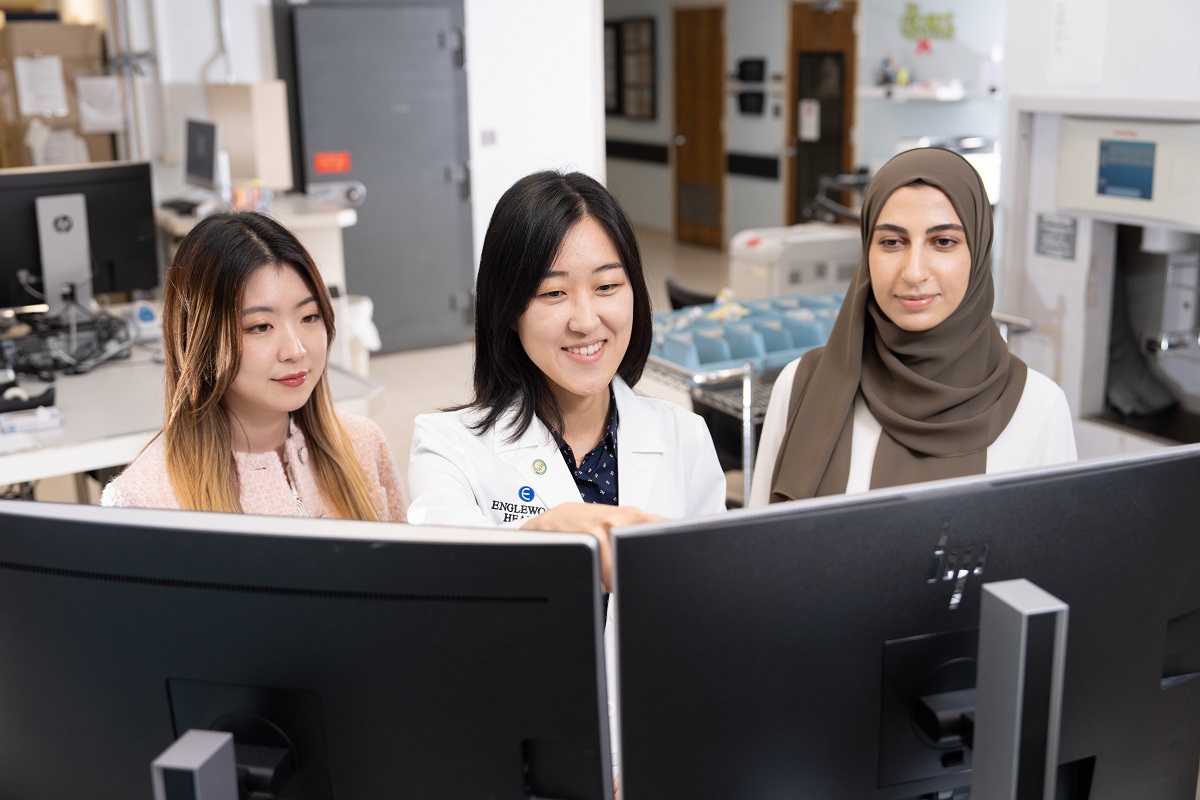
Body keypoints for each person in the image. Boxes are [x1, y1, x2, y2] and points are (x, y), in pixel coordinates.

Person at [408, 170, 725, 556]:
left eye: (606, 286)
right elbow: (447, 577)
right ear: (507, 309)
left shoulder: (685, 437)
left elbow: (713, 590)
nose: (586, 321)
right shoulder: (448, 447)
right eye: (554, 292)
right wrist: (540, 532)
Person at [749, 147, 1077, 506]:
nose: (914, 272)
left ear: (978, 253)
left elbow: (1049, 556)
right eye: (891, 242)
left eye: (943, 242)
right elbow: (756, 543)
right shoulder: (801, 387)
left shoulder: (1038, 407)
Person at [102, 211, 405, 521]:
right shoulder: (145, 501)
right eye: (260, 326)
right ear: (200, 339)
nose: (296, 350)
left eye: (309, 317)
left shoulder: (364, 443)